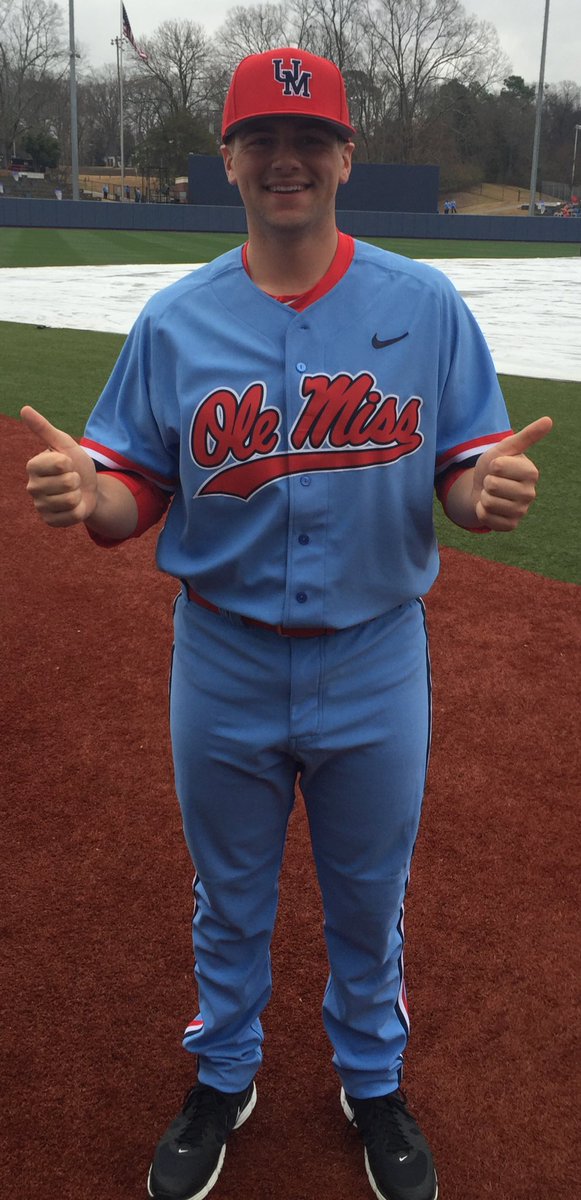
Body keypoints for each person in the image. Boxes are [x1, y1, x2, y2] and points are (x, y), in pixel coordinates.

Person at [22, 46, 551, 1200]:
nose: (285, 158)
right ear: (227, 158)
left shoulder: (421, 306)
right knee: (229, 893)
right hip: (222, 655)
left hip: (374, 658)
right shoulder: (174, 321)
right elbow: (130, 497)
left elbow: (463, 475)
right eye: (260, 137)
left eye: (309, 138)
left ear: (346, 155)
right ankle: (223, 1073)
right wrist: (86, 496)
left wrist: (481, 495)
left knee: (369, 894)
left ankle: (372, 1083)